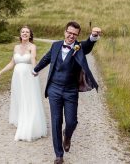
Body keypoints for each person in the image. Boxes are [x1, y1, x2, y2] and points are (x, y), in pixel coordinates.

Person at [33, 21, 101, 164]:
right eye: (69, 33)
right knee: (56, 121)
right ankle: (59, 154)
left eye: (74, 34)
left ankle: (67, 135)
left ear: (77, 36)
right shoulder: (56, 45)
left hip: (70, 90)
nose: (71, 36)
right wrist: (36, 69)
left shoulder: (80, 47)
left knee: (71, 121)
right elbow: (47, 58)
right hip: (54, 89)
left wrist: (93, 36)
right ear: (65, 32)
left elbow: (88, 44)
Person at [0, 26, 47, 141]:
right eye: (23, 32)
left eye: (27, 32)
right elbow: (12, 63)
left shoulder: (32, 47)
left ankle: (30, 123)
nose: (24, 33)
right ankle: (21, 119)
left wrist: (35, 71)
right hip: (17, 78)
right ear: (20, 35)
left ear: (30, 35)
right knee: (19, 98)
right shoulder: (16, 47)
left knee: (28, 99)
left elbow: (33, 59)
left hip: (29, 77)